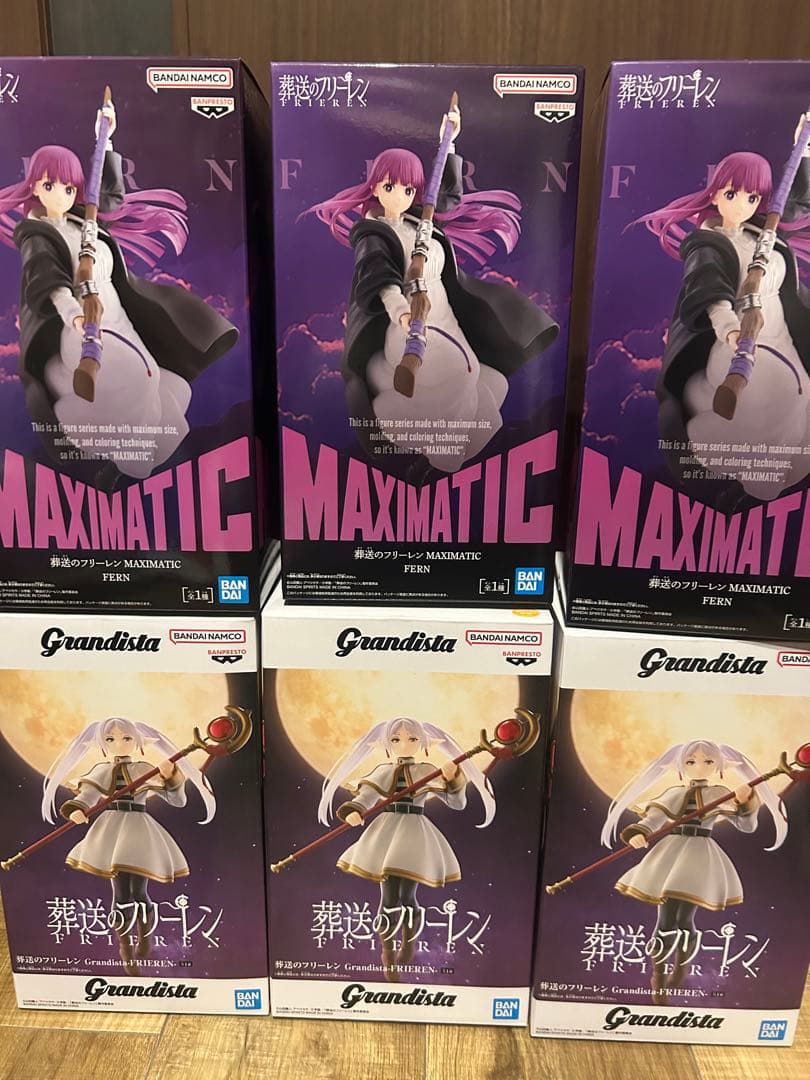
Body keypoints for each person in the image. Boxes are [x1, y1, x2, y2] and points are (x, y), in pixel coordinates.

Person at [304, 105, 558, 473]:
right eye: (390, 187)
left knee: (485, 380)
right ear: (375, 187)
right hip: (405, 324)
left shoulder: (417, 221)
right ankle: (424, 445)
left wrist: (448, 143)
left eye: (408, 189)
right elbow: (379, 279)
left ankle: (438, 459)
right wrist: (403, 314)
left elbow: (446, 198)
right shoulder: (372, 235)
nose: (401, 196)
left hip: (444, 313)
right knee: (458, 376)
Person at [0, 99, 238, 480]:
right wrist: (74, 316)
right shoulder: (37, 235)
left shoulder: (82, 220)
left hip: (117, 318)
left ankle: (120, 468)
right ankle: (93, 437)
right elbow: (47, 281)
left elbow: (107, 197)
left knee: (171, 388)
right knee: (137, 379)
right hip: (76, 329)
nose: (61, 194)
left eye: (68, 187)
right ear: (35, 188)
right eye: (49, 185)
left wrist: (105, 139)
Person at [637, 117, 810, 501]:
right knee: (778, 396)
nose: (742, 205)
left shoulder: (761, 231)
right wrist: (730, 329)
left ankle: (770, 476)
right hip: (733, 341)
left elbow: (794, 202)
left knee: (802, 395)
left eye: (752, 198)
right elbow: (709, 288)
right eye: (732, 194)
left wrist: (804, 148)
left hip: (780, 335)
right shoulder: (707, 245)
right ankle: (740, 465)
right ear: (716, 194)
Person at [601, 739, 786, 1003]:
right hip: (671, 853)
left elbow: (747, 827)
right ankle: (659, 976)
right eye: (691, 761)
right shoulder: (673, 793)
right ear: (681, 766)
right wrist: (638, 833)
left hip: (700, 857)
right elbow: (653, 820)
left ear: (718, 766)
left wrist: (745, 802)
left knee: (685, 919)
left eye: (708, 761)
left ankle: (681, 968)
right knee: (666, 919)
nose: (699, 766)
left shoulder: (720, 793)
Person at [318, 716, 494, 980]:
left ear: (422, 742)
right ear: (387, 744)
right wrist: (353, 811)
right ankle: (387, 954)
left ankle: (408, 946)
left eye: (412, 739)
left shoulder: (427, 770)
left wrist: (453, 779)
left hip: (414, 834)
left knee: (408, 896)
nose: (403, 744)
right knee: (389, 897)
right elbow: (366, 797)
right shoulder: (382, 771)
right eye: (395, 739)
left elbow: (457, 804)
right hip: (387, 832)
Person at [42, 716, 215, 974]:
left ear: (137, 741)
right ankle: (125, 948)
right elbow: (88, 796)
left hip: (139, 831)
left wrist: (171, 777)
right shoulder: (100, 771)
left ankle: (144, 941)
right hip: (112, 831)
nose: (119, 743)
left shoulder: (144, 769)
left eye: (126, 738)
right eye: (110, 739)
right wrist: (76, 809)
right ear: (102, 743)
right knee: (121, 894)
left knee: (140, 892)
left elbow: (177, 801)